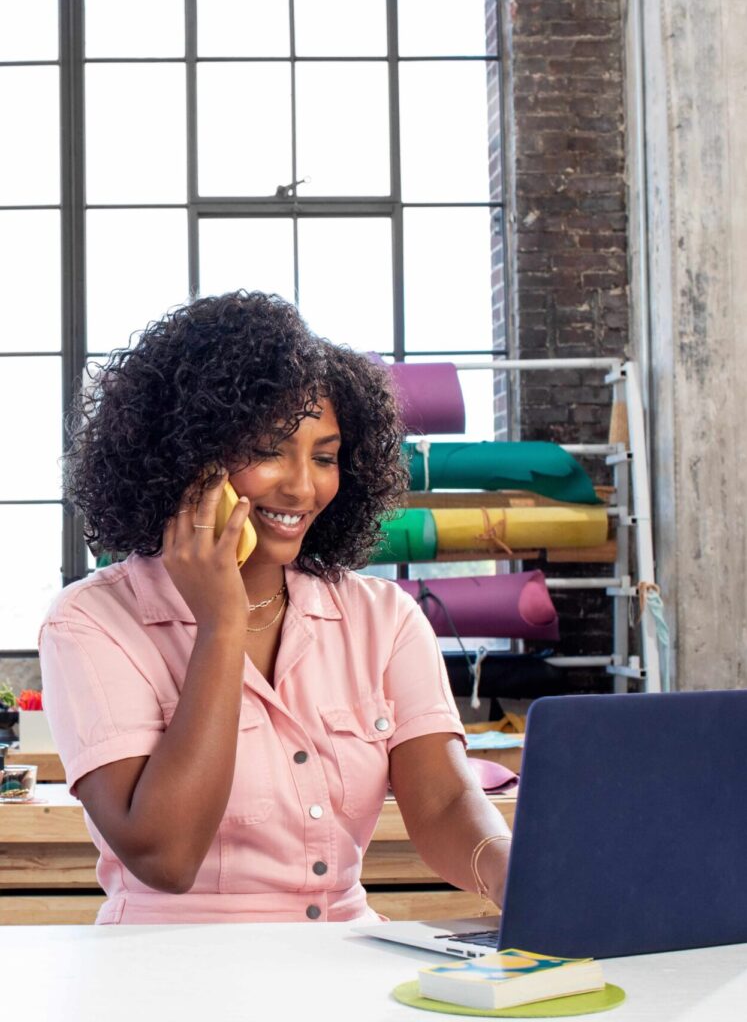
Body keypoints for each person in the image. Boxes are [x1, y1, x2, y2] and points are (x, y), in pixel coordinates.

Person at [39, 290, 511, 925]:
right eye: (268, 451)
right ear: (189, 457)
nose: (302, 485)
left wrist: (519, 875)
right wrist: (221, 622)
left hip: (346, 966)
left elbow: (446, 803)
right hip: (164, 980)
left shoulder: (383, 618)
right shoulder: (92, 621)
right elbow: (166, 856)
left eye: (324, 457)